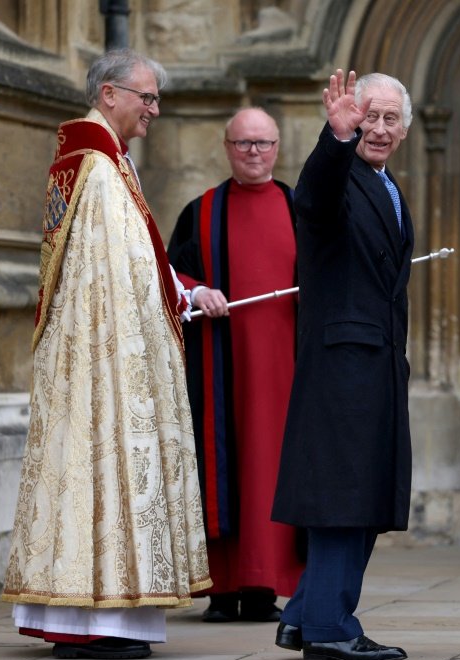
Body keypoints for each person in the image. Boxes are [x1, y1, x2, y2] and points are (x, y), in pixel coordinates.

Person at [0, 48, 213, 660]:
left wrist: (184, 291)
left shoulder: (108, 160)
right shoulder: (93, 164)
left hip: (109, 352)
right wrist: (160, 317)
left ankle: (96, 620)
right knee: (102, 464)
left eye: (157, 99)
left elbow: (138, 259)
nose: (155, 110)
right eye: (146, 98)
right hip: (104, 359)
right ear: (110, 93)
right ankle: (95, 622)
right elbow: (105, 277)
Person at [269, 69, 414, 660]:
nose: (377, 129)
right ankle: (330, 626)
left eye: (389, 119)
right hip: (344, 365)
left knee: (363, 490)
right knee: (343, 495)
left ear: (405, 128)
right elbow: (314, 199)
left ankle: (304, 615)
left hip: (375, 363)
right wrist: (334, 140)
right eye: (368, 117)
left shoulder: (385, 183)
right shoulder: (341, 174)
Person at [166, 107, 304, 624]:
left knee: (273, 470)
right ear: (226, 147)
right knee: (220, 466)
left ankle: (265, 587)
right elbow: (169, 274)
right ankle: (222, 589)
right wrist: (198, 290)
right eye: (244, 144)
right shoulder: (200, 212)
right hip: (219, 370)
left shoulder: (301, 208)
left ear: (277, 148)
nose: (254, 153)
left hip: (285, 371)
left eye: (263, 143)